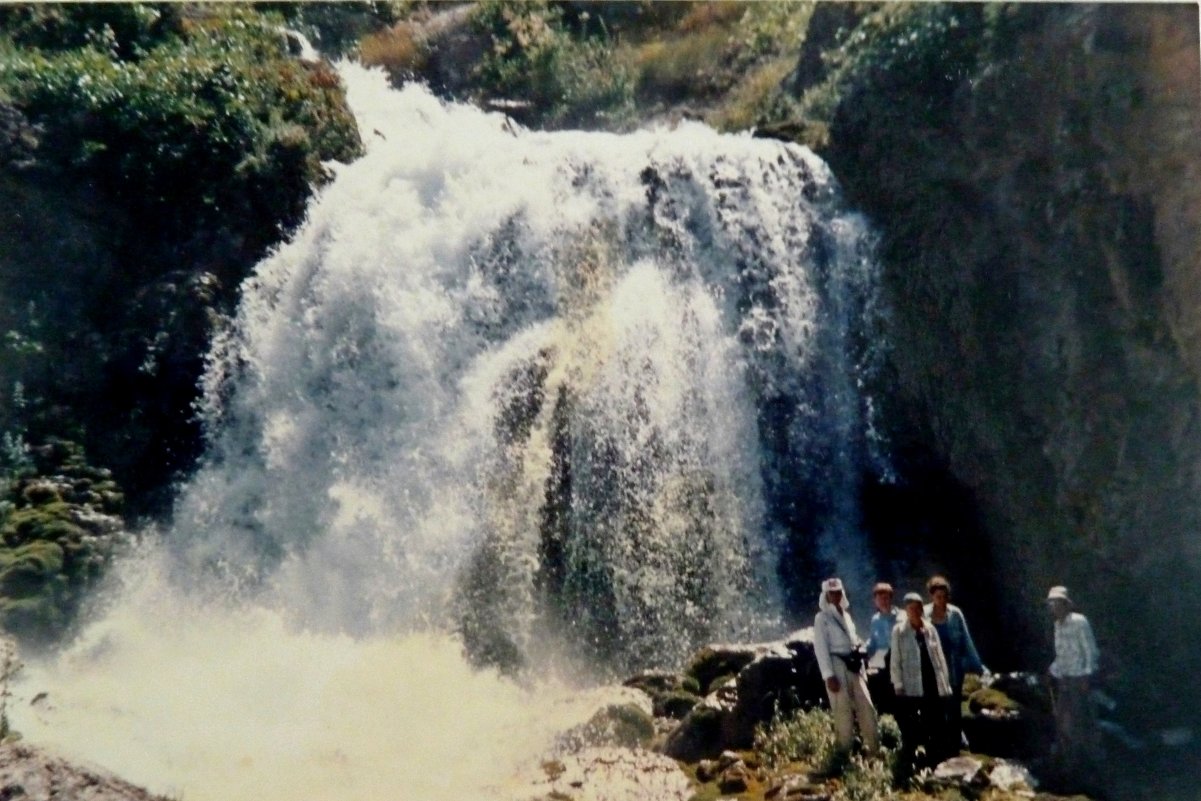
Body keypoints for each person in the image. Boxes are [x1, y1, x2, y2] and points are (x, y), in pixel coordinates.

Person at [813, 577, 880, 761]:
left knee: (867, 707)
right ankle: (843, 755)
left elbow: (854, 641)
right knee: (842, 712)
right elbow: (821, 648)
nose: (835, 595)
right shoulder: (821, 618)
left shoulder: (847, 616)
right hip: (836, 666)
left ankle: (873, 751)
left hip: (854, 666)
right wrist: (828, 675)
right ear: (825, 595)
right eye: (831, 592)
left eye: (838, 592)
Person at [891, 592, 955, 771]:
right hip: (912, 686)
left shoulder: (930, 629)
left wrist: (946, 684)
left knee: (936, 722)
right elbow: (895, 660)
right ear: (906, 610)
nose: (916, 611)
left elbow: (940, 657)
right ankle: (911, 762)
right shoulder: (899, 631)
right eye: (911, 608)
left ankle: (937, 760)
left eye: (918, 607)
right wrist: (898, 684)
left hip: (932, 682)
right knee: (913, 725)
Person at [924, 575, 986, 748]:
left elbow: (966, 639)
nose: (942, 600)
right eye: (938, 597)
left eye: (944, 597)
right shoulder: (924, 614)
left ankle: (957, 738)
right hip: (934, 666)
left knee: (955, 702)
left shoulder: (955, 613)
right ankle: (939, 740)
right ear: (932, 596)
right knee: (936, 704)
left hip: (953, 665)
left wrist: (977, 665)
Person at [1046, 585, 1100, 777]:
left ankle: (1088, 762)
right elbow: (1061, 654)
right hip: (1065, 679)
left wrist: (1087, 675)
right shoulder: (1056, 626)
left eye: (1057, 603)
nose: (1054, 607)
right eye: (1051, 603)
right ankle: (1068, 759)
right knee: (1061, 718)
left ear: (1066, 604)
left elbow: (1090, 650)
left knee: (1081, 719)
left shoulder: (1079, 622)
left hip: (1079, 678)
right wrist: (1052, 670)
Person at [865, 582, 900, 715]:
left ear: (891, 598)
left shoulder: (901, 617)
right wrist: (863, 650)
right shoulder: (875, 620)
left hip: (899, 661)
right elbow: (873, 642)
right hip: (882, 663)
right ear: (875, 602)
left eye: (886, 598)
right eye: (880, 599)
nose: (883, 602)